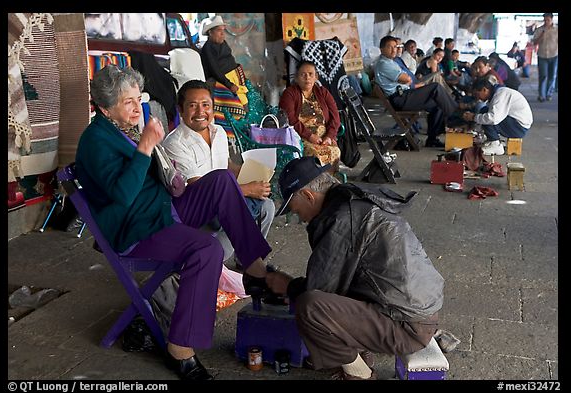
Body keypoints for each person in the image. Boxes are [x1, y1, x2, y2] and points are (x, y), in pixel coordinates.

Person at [75, 64, 272, 380]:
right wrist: (145, 147)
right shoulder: (95, 141)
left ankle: (255, 267)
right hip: (136, 227)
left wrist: (158, 157)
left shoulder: (124, 128)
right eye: (128, 101)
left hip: (162, 209)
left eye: (138, 98)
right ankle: (180, 350)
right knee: (205, 249)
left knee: (222, 180)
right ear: (103, 107)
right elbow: (124, 195)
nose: (137, 106)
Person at [266, 156, 444, 380]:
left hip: (405, 326)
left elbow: (321, 289)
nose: (299, 218)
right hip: (417, 311)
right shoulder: (352, 200)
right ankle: (354, 353)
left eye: (294, 209)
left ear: (308, 196)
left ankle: (361, 375)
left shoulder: (341, 219)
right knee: (341, 288)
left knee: (310, 308)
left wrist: (287, 285)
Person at [162, 79, 275, 263]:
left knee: (267, 206)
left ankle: (245, 260)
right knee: (236, 221)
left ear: (213, 108)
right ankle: (211, 263)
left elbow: (226, 164)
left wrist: (254, 171)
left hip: (226, 196)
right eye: (192, 105)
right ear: (181, 110)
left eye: (206, 105)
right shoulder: (174, 143)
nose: (200, 112)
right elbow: (200, 188)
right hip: (200, 210)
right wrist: (248, 189)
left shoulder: (219, 132)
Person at [374, 35, 458, 148]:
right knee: (435, 87)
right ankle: (455, 116)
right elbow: (406, 79)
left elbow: (406, 79)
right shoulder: (384, 64)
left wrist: (407, 81)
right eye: (390, 47)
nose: (394, 50)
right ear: (382, 49)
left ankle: (432, 139)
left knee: (437, 104)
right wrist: (407, 81)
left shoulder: (390, 61)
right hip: (401, 99)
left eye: (395, 46)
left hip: (404, 94)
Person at [279, 60, 342, 172]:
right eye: (303, 75)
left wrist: (329, 136)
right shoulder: (289, 94)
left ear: (316, 77)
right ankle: (315, 185)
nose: (307, 78)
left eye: (310, 74)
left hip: (324, 138)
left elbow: (335, 117)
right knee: (315, 154)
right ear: (297, 78)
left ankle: (330, 184)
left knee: (335, 151)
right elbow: (290, 119)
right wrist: (310, 136)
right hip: (301, 137)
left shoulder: (323, 92)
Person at [199, 15, 249, 136]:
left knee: (248, 100)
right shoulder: (208, 48)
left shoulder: (223, 43)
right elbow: (215, 70)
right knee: (238, 104)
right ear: (210, 33)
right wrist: (229, 84)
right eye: (219, 31)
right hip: (219, 80)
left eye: (223, 31)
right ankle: (232, 133)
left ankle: (245, 131)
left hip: (234, 77)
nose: (222, 34)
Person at [462, 78, 533, 155]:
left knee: (487, 115)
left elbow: (493, 118)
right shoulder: (498, 93)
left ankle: (495, 145)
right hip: (516, 123)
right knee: (484, 111)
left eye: (477, 94)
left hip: (519, 127)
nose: (478, 98)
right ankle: (492, 141)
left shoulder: (500, 95)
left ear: (484, 90)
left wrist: (473, 117)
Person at [532, 13, 558, 102]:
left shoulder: (556, 30)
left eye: (548, 20)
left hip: (554, 55)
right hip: (542, 55)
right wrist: (541, 36)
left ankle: (549, 94)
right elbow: (534, 42)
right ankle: (541, 95)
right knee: (543, 76)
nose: (546, 22)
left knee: (552, 76)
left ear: (552, 19)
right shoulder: (539, 30)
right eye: (545, 20)